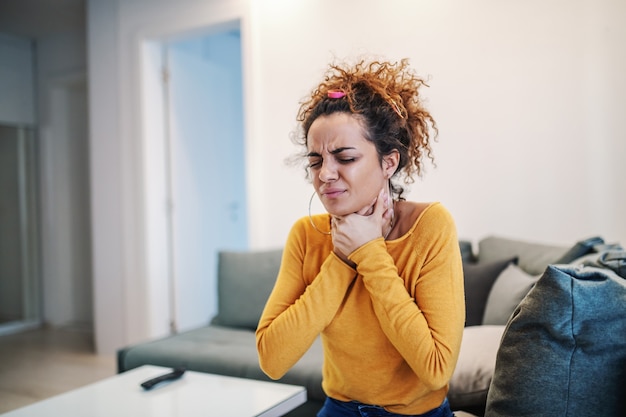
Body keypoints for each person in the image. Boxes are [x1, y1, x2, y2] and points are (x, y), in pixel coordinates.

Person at [256, 58, 465, 417]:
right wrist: (341, 260)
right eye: (316, 161)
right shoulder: (306, 236)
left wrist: (369, 252)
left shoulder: (431, 226)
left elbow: (435, 369)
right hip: (338, 409)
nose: (326, 174)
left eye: (345, 157)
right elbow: (272, 360)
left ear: (389, 163)